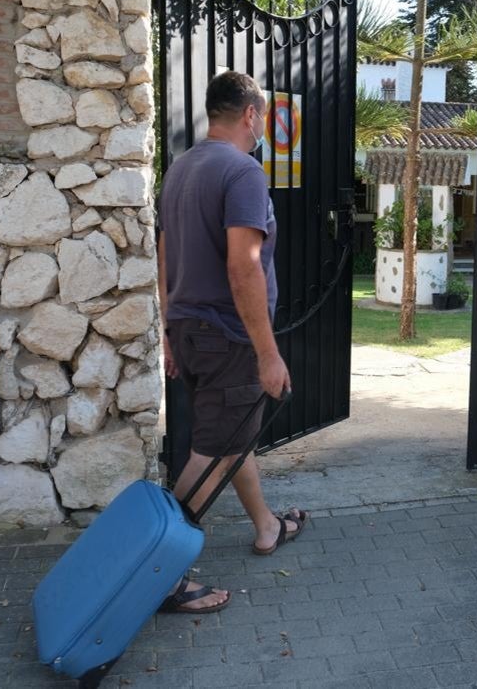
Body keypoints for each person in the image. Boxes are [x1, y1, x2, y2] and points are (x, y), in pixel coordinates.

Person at [155, 71, 307, 614]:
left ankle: (267, 527)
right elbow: (243, 268)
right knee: (214, 454)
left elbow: (165, 257)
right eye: (261, 116)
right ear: (250, 115)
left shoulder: (181, 170)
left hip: (192, 332)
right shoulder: (242, 171)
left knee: (229, 435)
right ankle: (158, 574)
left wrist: (170, 331)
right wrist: (268, 353)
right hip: (229, 338)